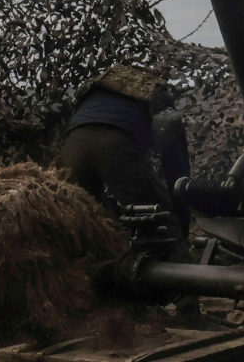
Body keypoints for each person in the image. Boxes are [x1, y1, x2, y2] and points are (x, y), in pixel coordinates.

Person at [61, 63, 191, 237]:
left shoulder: (98, 85)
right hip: (114, 144)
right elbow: (177, 172)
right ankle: (178, 262)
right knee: (157, 218)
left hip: (74, 142)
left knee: (87, 218)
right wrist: (182, 225)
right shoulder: (158, 93)